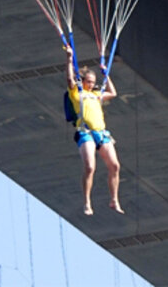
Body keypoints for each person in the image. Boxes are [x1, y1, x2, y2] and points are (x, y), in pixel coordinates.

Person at [65, 51, 123, 215]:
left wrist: (106, 75)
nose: (91, 84)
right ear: (82, 81)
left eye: (93, 82)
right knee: (90, 167)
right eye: (89, 81)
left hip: (101, 133)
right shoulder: (77, 93)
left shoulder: (96, 95)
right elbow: (69, 79)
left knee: (115, 166)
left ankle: (114, 200)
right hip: (85, 132)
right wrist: (69, 59)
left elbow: (113, 93)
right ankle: (87, 202)